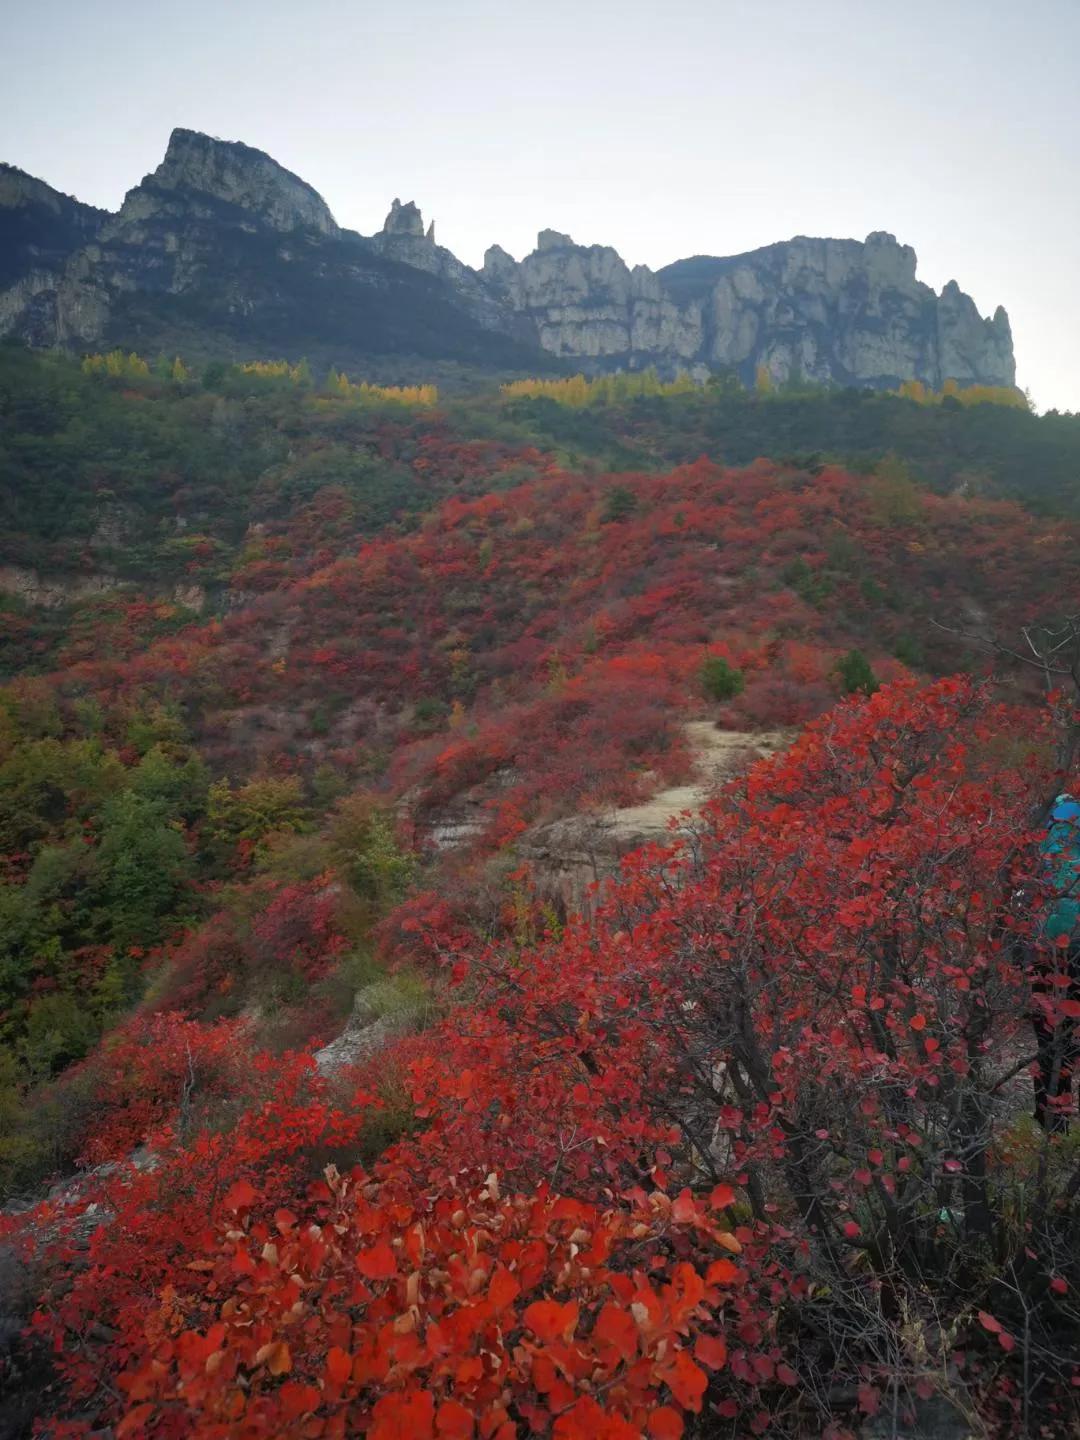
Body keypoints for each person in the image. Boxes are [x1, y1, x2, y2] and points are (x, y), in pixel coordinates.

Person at [1029, 793, 1080, 1131]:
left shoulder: (1045, 813)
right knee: (1068, 1031)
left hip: (1043, 940)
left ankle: (1051, 1122)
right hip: (1076, 938)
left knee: (1047, 1032)